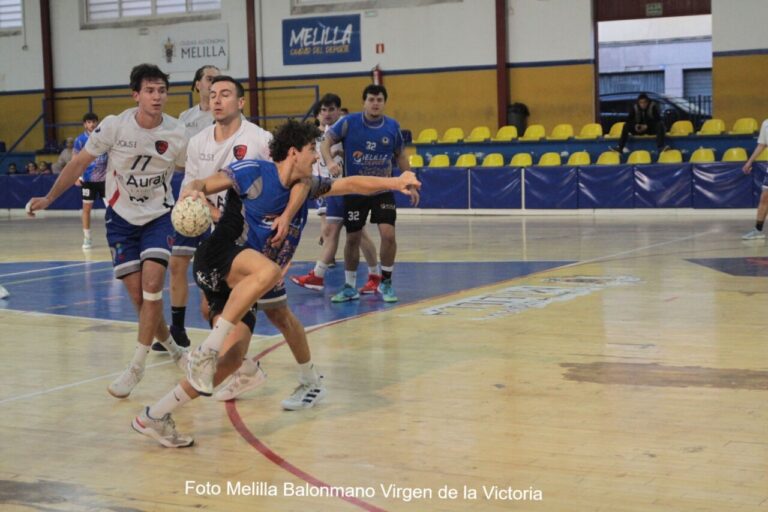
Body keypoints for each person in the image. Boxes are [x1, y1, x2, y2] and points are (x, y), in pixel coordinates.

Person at [132, 119, 421, 447]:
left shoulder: (308, 185)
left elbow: (352, 183)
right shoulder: (253, 170)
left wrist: (397, 181)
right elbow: (204, 183)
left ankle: (155, 415)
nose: (317, 157)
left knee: (228, 364)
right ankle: (207, 349)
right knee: (269, 275)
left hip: (249, 279)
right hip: (220, 257)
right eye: (313, 151)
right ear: (294, 152)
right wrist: (195, 193)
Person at [27, 63, 189, 398]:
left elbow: (196, 169)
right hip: (121, 219)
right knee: (139, 298)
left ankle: (136, 367)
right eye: (150, 90)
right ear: (136, 95)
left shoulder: (177, 133)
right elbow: (78, 164)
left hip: (159, 217)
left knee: (153, 286)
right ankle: (174, 350)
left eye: (161, 90)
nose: (157, 96)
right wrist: (49, 197)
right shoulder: (115, 127)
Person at [160, 75, 272, 353]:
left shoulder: (260, 139)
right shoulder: (198, 142)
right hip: (214, 230)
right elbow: (191, 185)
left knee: (250, 300)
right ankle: (234, 358)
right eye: (213, 95)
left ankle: (236, 356)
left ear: (241, 101)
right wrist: (211, 212)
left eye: (225, 94)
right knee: (209, 302)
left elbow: (275, 183)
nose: (217, 100)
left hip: (251, 231)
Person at [322, 84, 418, 304]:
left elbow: (401, 156)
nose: (375, 103)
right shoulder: (348, 123)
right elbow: (326, 142)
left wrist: (409, 181)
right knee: (353, 237)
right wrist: (329, 161)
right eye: (371, 99)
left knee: (388, 235)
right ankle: (349, 286)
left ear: (384, 102)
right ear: (364, 102)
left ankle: (386, 282)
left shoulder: (392, 127)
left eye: (379, 100)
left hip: (383, 189)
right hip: (355, 189)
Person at [291, 93, 380, 293]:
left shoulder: (345, 128)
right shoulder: (317, 134)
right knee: (340, 232)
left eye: (332, 109)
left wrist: (340, 156)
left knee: (354, 234)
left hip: (346, 188)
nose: (328, 113)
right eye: (324, 110)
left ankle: (374, 275)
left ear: (339, 111)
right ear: (318, 113)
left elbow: (360, 151)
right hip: (330, 189)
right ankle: (320, 275)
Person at [73, 113, 108, 249]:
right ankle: (87, 238)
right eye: (88, 122)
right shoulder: (80, 140)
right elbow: (75, 159)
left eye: (94, 122)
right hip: (88, 180)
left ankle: (115, 234)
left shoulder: (104, 138)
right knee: (86, 209)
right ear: (84, 124)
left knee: (113, 209)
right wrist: (76, 176)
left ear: (97, 123)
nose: (91, 124)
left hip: (105, 180)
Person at [741, 119, 768, 240]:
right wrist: (749, 162)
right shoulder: (765, 124)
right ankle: (758, 230)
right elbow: (761, 145)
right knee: (764, 198)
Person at [178, 65, 220, 138]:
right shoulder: (184, 117)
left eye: (217, 80)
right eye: (209, 79)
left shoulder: (232, 115)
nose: (214, 83)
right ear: (198, 85)